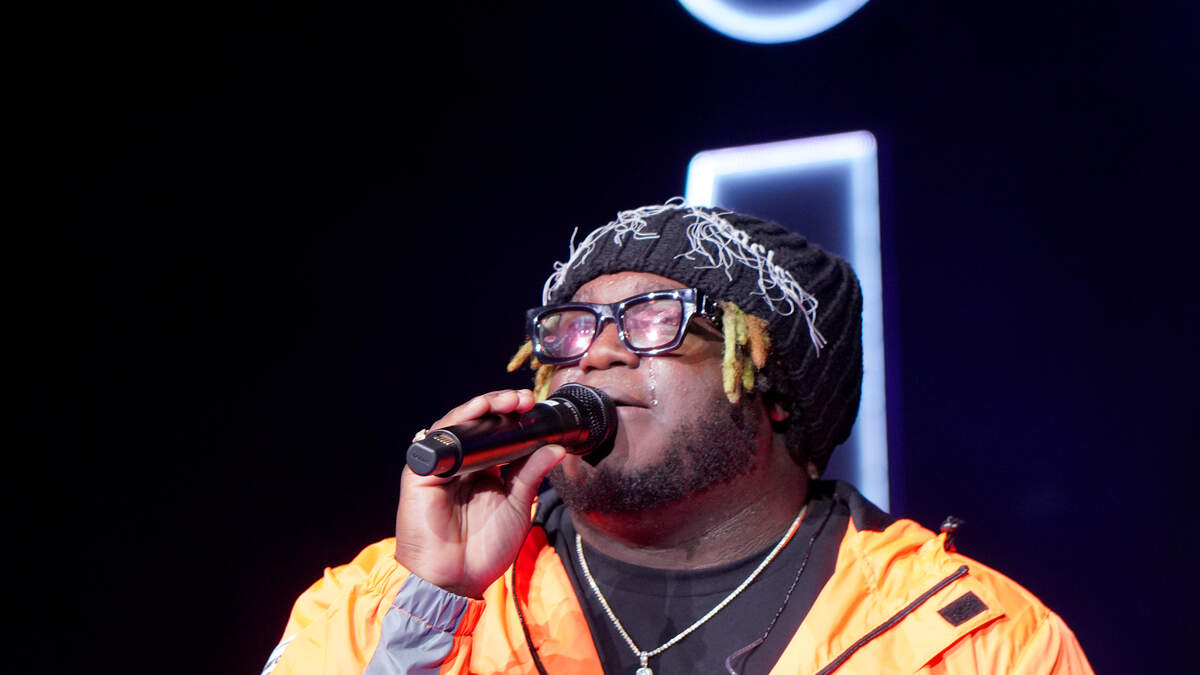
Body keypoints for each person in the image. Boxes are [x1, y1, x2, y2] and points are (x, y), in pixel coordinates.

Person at [263, 199, 1093, 674]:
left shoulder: (975, 638)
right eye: (572, 326)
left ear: (774, 388)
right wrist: (429, 606)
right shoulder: (377, 602)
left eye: (655, 318)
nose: (599, 350)